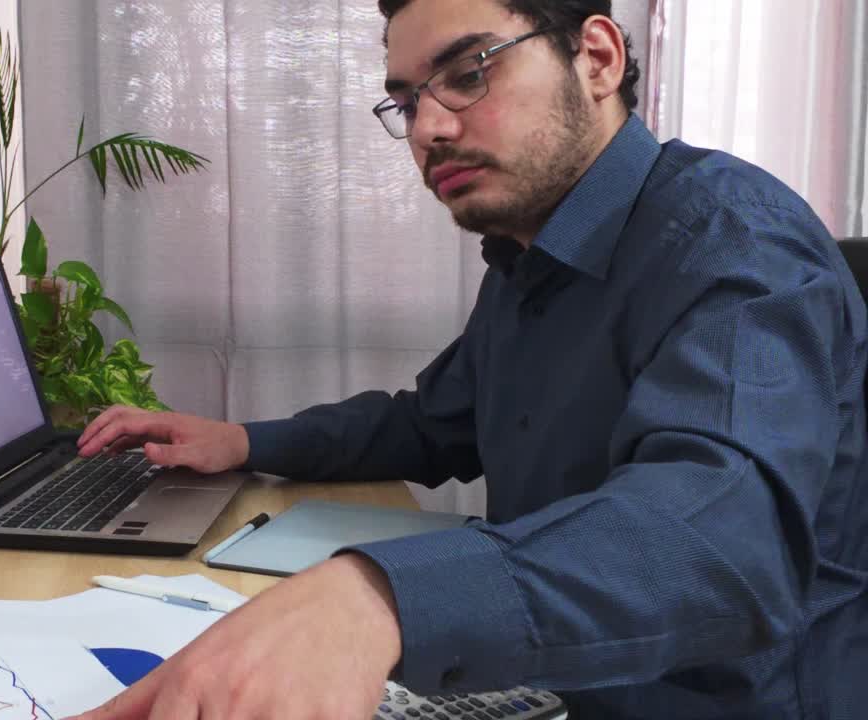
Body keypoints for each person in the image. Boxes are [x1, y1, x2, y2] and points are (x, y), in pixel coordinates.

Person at [69, 1, 868, 717]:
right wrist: (243, 442)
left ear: (597, 59)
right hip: (553, 685)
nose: (428, 129)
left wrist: (376, 600)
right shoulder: (528, 258)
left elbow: (722, 537)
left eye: (468, 72)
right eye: (409, 100)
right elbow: (429, 425)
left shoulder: (732, 239)